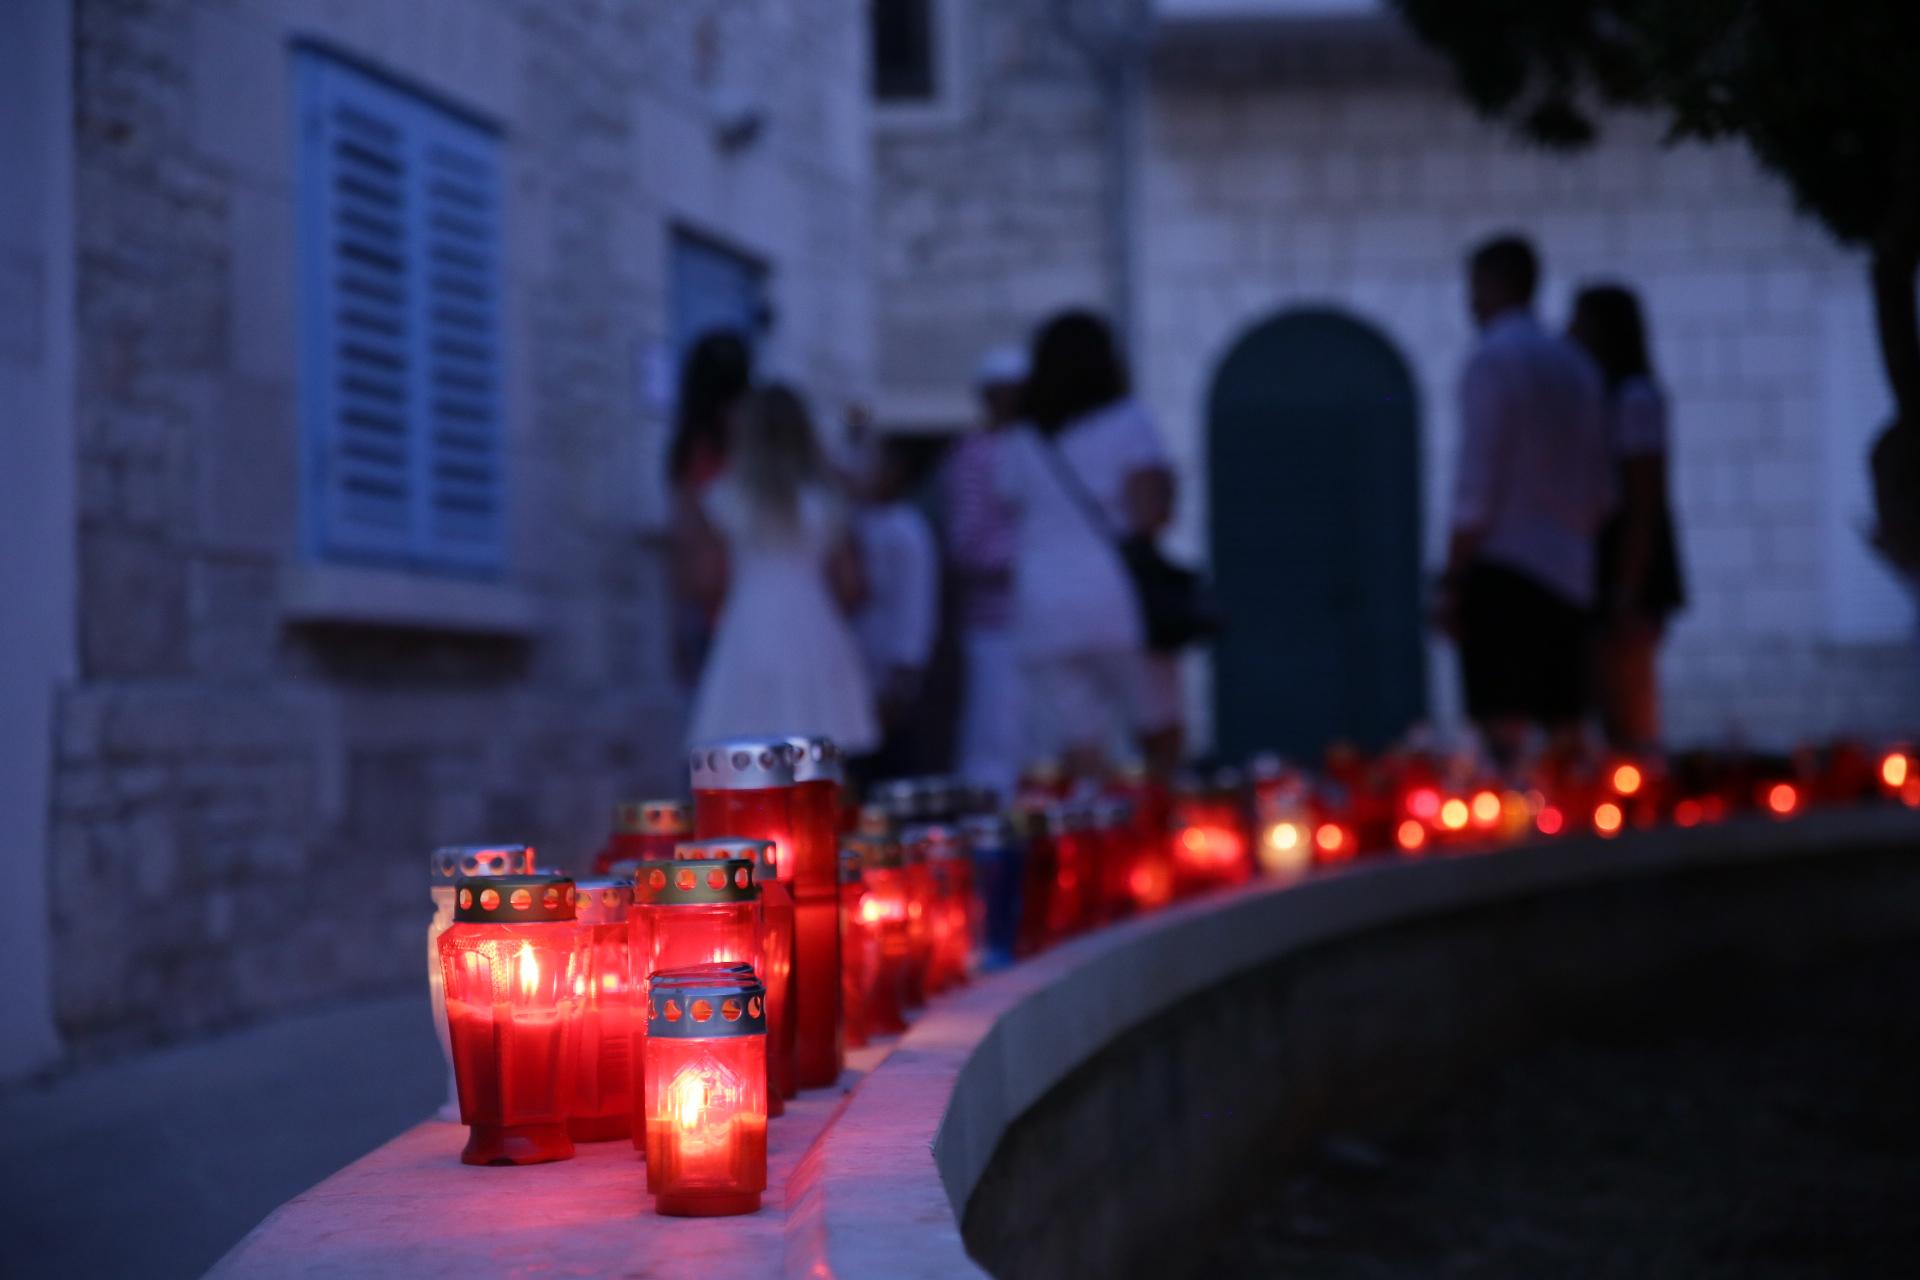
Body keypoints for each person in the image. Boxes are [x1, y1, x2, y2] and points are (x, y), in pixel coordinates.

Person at [1435, 234, 1612, 766]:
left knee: (1504, 734)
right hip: (1571, 569)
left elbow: (1478, 480)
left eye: (1474, 288)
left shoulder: (1493, 361)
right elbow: (1602, 485)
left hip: (1505, 567)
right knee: (1565, 727)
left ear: (1493, 285)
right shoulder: (1577, 366)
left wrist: (1453, 574)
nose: (1470, 302)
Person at [997, 310, 1182, 776]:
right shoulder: (1127, 422)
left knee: (1078, 745)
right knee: (1159, 730)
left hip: (1042, 602)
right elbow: (1150, 516)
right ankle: (1162, 833)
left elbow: (1009, 503)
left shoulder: (1020, 437)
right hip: (1117, 599)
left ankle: (1094, 838)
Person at [680, 384, 879, 754]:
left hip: (749, 628)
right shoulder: (825, 498)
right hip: (814, 627)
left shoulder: (723, 497)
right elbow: (850, 584)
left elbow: (706, 580)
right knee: (822, 759)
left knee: (745, 755)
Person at [1570, 284, 1686, 751]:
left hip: (1627, 572)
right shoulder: (1607, 397)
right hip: (1611, 568)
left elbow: (1643, 498)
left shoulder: (1634, 398)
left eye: (1580, 322)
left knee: (1628, 706)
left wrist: (1626, 585)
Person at [945, 346, 1027, 798]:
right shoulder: (974, 455)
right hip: (996, 625)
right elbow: (968, 544)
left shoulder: (1039, 447)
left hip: (1040, 622)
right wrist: (1031, 558)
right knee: (995, 739)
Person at [667, 331, 752, 687]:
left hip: (716, 607)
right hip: (746, 604)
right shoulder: (751, 444)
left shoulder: (692, 448)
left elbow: (682, 536)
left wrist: (676, 619)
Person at [854, 436, 940, 749]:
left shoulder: (908, 529)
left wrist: (902, 682)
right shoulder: (854, 521)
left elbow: (917, 610)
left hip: (892, 678)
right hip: (856, 672)